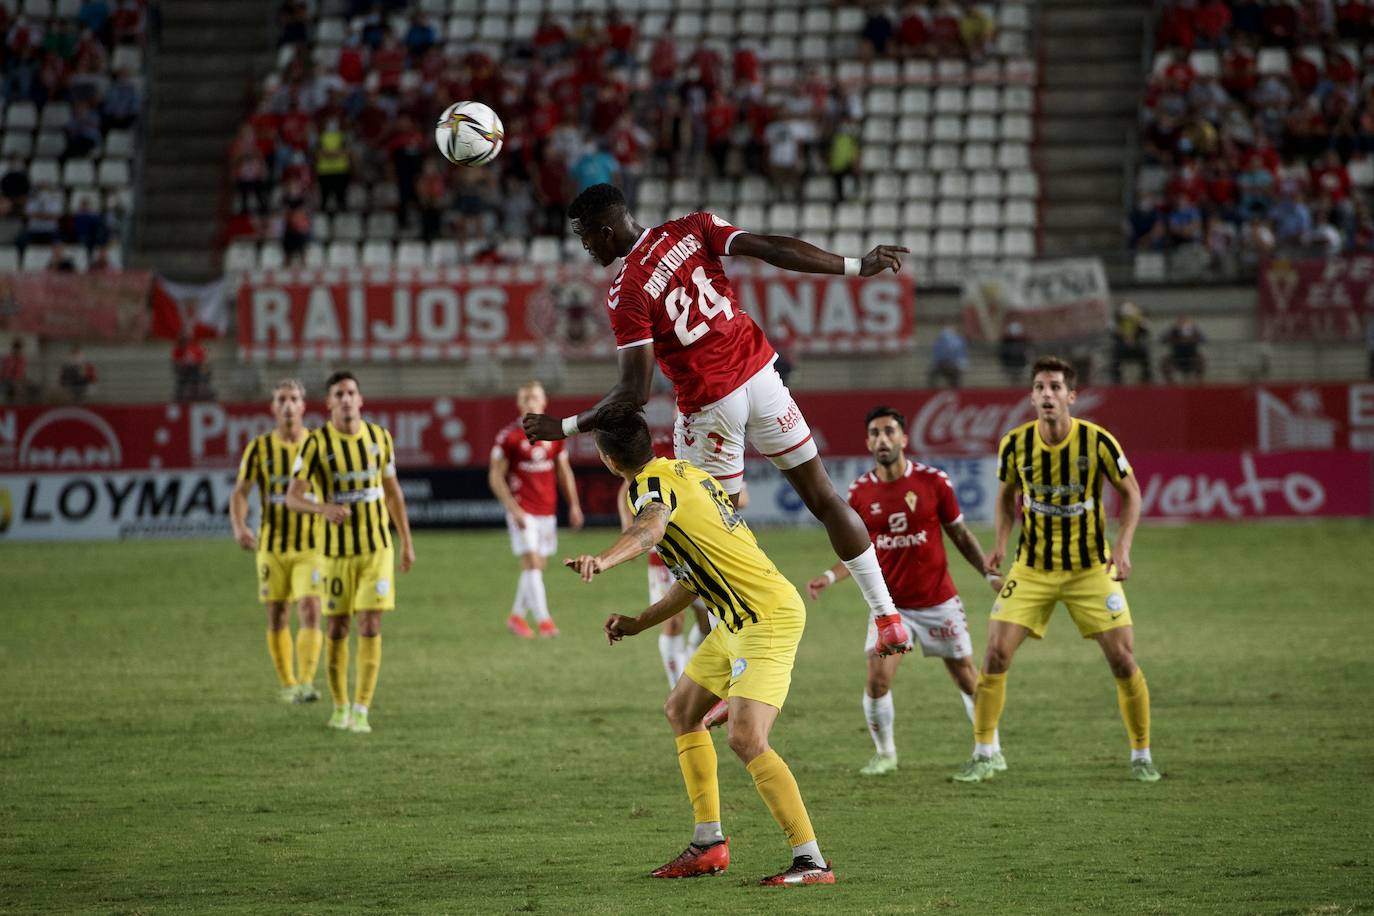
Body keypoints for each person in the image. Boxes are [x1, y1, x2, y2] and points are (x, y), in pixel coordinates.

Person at [522, 182, 917, 660]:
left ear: (607, 231)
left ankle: (731, 668)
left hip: (711, 406)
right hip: (762, 377)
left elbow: (633, 392)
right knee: (825, 498)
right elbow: (771, 247)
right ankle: (887, 617)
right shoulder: (694, 227)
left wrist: (562, 427)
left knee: (704, 536)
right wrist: (855, 266)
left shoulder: (626, 293)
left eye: (588, 239)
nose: (588, 249)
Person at [566, 404, 835, 886]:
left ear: (607, 458)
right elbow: (692, 579)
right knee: (682, 711)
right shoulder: (685, 472)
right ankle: (708, 844)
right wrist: (639, 623)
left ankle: (811, 860)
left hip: (765, 616)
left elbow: (649, 529)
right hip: (735, 620)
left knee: (746, 738)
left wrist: (604, 561)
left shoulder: (648, 488)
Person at [952, 356, 1159, 784]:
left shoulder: (1098, 441)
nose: (1048, 394)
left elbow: (1131, 493)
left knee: (1122, 659)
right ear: (1032, 397)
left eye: (1055, 387)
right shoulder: (1015, 444)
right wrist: (1000, 545)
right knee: (994, 653)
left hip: (1090, 567)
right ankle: (985, 752)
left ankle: (1142, 754)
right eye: (1040, 388)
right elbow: (1007, 496)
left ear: (1071, 396)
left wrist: (1122, 547)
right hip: (1032, 568)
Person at [807, 406, 1004, 776]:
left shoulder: (934, 482)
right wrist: (829, 577)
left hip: (938, 602)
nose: (883, 439)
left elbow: (960, 534)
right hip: (890, 607)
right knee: (877, 680)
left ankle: (990, 751)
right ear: (868, 442)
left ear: (903, 438)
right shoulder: (861, 491)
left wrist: (987, 574)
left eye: (889, 431)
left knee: (965, 676)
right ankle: (886, 754)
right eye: (875, 433)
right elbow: (856, 548)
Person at [286, 371, 415, 734]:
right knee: (339, 627)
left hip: (376, 548)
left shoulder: (379, 438)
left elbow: (392, 493)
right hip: (335, 555)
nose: (346, 399)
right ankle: (340, 705)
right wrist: (322, 508)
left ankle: (361, 709)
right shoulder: (314, 445)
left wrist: (406, 541)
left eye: (351, 392)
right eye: (338, 394)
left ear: (360, 400)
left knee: (371, 624)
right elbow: (293, 497)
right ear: (328, 402)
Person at [230, 379, 325, 704]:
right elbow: (241, 492)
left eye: (293, 399)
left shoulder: (318, 445)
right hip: (271, 546)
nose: (287, 405)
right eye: (281, 399)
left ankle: (307, 681)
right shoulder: (258, 448)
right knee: (277, 614)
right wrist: (239, 525)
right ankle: (288, 683)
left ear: (303, 406)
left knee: (311, 608)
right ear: (273, 407)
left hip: (312, 546)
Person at [488, 381, 584, 639]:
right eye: (526, 398)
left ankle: (517, 617)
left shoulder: (554, 434)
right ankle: (545, 622)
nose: (531, 401)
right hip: (522, 510)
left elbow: (564, 471)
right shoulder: (509, 436)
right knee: (531, 562)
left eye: (535, 397)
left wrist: (574, 505)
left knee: (536, 567)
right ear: (519, 404)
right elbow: (495, 476)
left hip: (547, 511)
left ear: (544, 402)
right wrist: (513, 509)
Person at [1110, 301, 1152, 384]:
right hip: (1122, 349)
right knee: (1115, 357)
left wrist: (1139, 320)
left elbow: (1146, 330)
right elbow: (1113, 332)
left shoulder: (1139, 322)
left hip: (1137, 348)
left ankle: (1145, 379)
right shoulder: (1117, 323)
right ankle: (1117, 381)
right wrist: (1123, 336)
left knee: (1145, 355)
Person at [1161, 315, 1207, 383]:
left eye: (1185, 322)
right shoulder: (1173, 331)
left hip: (1192, 358)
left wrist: (1195, 333)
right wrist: (1172, 330)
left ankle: (1199, 382)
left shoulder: (1194, 330)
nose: (1183, 324)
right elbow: (1162, 339)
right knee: (1165, 360)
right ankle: (1171, 383)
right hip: (1176, 358)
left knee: (1201, 359)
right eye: (1181, 322)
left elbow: (1204, 339)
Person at [928, 323, 968, 388]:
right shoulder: (941, 340)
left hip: (950, 365)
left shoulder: (958, 340)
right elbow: (936, 353)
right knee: (933, 375)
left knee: (954, 377)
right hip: (945, 364)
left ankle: (954, 389)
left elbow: (961, 354)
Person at [1, 338, 30, 404]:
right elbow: (5, 372)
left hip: (17, 381)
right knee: (16, 387)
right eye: (16, 348)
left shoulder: (22, 359)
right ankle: (15, 403)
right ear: (13, 348)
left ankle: (21, 404)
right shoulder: (8, 358)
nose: (17, 351)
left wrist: (24, 380)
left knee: (28, 387)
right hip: (8, 380)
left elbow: (22, 373)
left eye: (19, 349)